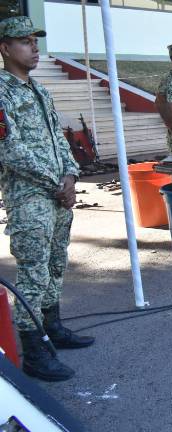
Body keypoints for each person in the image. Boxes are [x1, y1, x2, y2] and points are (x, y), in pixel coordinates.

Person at [0, 16, 94, 382]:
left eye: (35, 41)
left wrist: (70, 176)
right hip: (29, 200)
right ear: (5, 48)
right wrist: (57, 181)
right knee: (33, 273)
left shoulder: (39, 90)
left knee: (55, 265)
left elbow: (60, 138)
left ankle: (52, 328)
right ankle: (34, 353)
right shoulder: (2, 91)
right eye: (25, 42)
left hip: (58, 195)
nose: (35, 48)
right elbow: (9, 150)